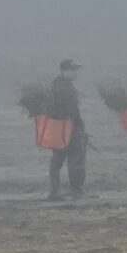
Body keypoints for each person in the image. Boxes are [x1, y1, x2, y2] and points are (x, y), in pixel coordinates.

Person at [45, 58, 87, 201]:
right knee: (75, 160)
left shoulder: (58, 85)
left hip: (59, 129)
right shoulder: (64, 88)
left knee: (57, 160)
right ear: (64, 71)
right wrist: (80, 125)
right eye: (73, 70)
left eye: (76, 70)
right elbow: (71, 110)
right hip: (69, 128)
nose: (76, 73)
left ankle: (54, 191)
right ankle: (76, 191)